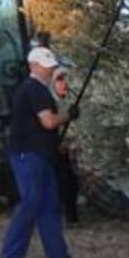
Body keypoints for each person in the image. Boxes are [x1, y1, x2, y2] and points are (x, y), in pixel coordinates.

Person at [0, 47, 90, 258]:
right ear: (34, 66)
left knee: (49, 206)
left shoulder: (35, 89)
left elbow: (42, 128)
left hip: (40, 155)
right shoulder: (34, 89)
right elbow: (48, 122)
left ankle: (59, 257)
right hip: (28, 155)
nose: (50, 71)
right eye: (46, 67)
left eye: (51, 67)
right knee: (31, 202)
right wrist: (69, 115)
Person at [50, 66, 81, 224]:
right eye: (60, 79)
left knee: (72, 183)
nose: (64, 83)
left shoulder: (73, 103)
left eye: (67, 79)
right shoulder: (49, 103)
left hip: (71, 151)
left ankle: (71, 216)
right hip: (55, 151)